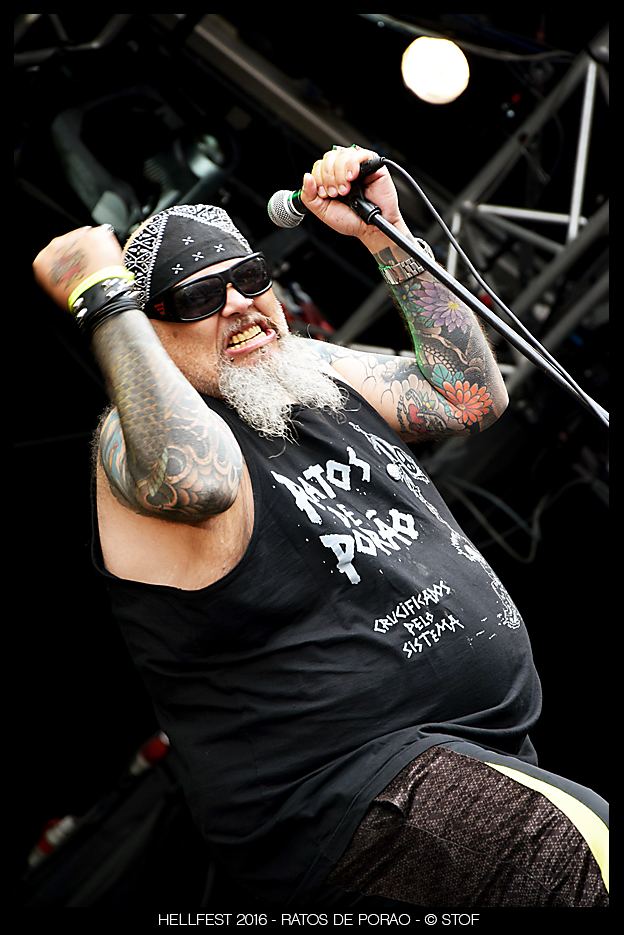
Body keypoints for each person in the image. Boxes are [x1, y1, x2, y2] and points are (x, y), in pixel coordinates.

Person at [33, 147, 608, 908]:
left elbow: (470, 395)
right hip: (355, 793)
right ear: (152, 334)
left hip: (476, 757)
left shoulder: (310, 372)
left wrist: (386, 233)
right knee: (591, 862)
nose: (239, 304)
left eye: (250, 278)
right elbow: (198, 481)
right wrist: (105, 299)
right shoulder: (132, 446)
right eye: (198, 297)